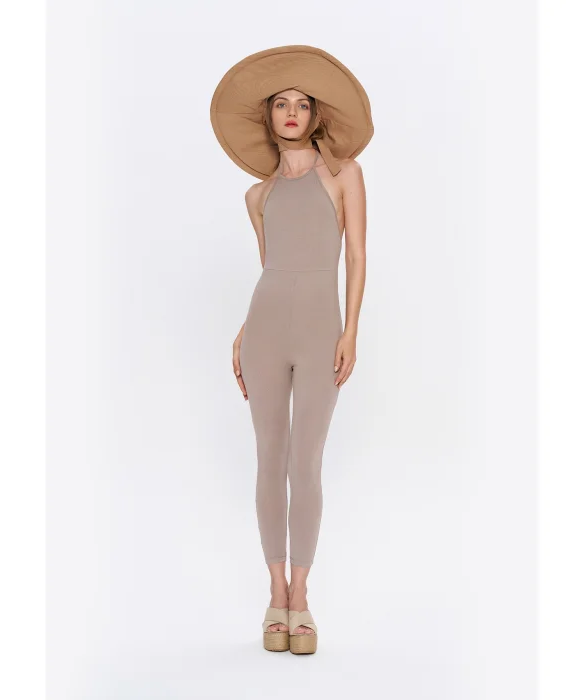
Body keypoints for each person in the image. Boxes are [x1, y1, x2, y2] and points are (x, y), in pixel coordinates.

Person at [210, 45, 373, 654]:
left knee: (306, 462)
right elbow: (270, 268)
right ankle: (274, 594)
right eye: (281, 103)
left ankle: (301, 597)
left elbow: (356, 255)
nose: (291, 112)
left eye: (302, 104)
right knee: (268, 459)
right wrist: (244, 331)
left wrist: (350, 330)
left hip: (321, 331)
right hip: (265, 331)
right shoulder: (257, 196)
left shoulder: (344, 176)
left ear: (315, 115)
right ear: (268, 116)